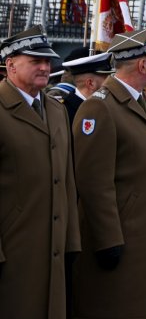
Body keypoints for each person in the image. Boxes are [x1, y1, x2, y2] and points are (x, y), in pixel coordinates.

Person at [71, 29, 146, 319]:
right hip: (121, 236)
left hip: (144, 233)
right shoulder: (100, 107)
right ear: (141, 65)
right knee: (118, 306)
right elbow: (93, 182)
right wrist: (108, 239)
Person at [0, 26, 80, 319]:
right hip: (14, 249)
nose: (46, 67)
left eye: (47, 61)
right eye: (36, 61)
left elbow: (66, 179)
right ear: (11, 65)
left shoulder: (55, 109)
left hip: (53, 248)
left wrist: (71, 240)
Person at [53, 47, 114, 122]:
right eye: (107, 79)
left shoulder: (102, 107)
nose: (110, 83)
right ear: (90, 83)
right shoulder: (64, 112)